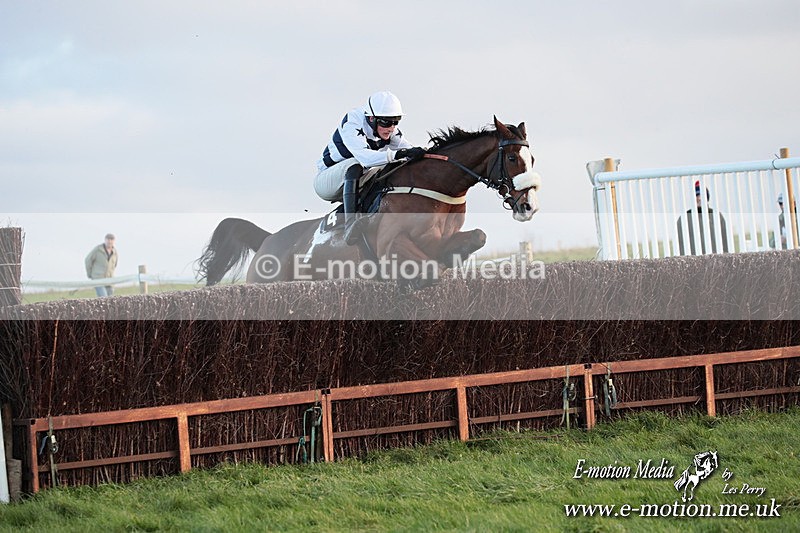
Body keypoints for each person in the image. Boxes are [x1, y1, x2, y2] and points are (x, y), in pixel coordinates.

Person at [314, 91, 426, 244]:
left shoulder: (389, 130)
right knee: (357, 164)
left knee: (393, 168)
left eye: (396, 122)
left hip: (357, 180)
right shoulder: (352, 122)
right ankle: (350, 225)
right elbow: (365, 159)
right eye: (386, 123)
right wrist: (398, 155)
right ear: (371, 118)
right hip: (327, 181)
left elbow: (409, 151)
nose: (391, 128)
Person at [676, 181, 729, 255]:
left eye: (702, 195)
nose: (699, 198)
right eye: (697, 195)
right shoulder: (684, 219)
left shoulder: (717, 216)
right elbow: (680, 244)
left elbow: (725, 240)